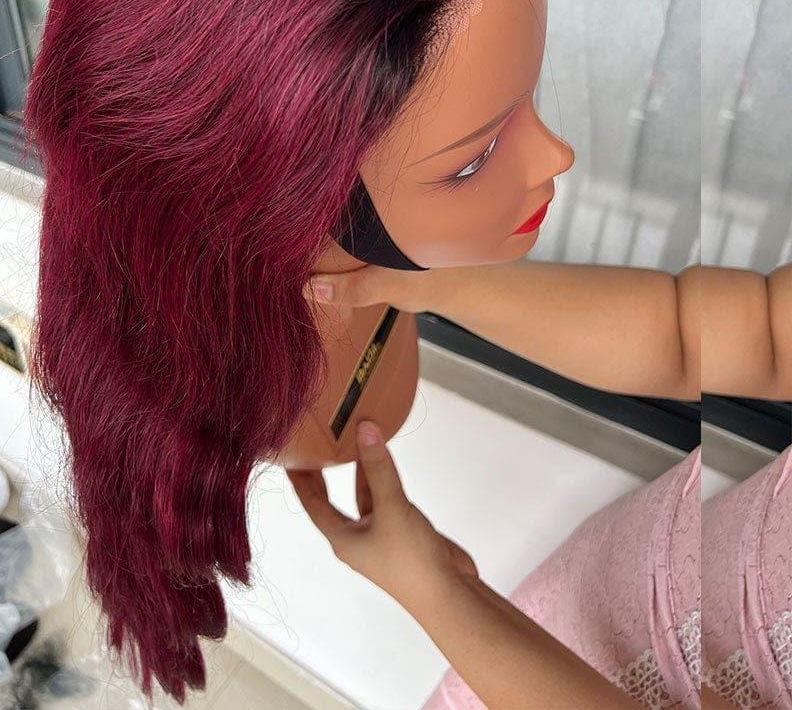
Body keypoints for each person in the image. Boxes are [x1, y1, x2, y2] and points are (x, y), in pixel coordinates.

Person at [289, 260, 791, 707]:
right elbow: (720, 338)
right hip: (571, 609)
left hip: (513, 661)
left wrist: (439, 590)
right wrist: (436, 283)